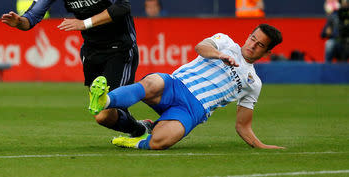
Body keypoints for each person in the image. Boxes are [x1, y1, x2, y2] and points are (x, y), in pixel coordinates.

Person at [1, 0, 150, 138]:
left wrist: (85, 23)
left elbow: (122, 6)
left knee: (104, 114)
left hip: (121, 48)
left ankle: (145, 126)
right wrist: (20, 22)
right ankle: (142, 128)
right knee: (105, 114)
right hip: (92, 51)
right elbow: (33, 16)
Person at [88, 24, 284, 150]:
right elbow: (200, 47)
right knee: (151, 83)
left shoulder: (253, 83)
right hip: (175, 85)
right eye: (252, 38)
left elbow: (243, 125)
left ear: (266, 52)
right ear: (248, 35)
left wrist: (262, 146)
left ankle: (138, 136)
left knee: (160, 141)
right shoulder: (225, 42)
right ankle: (104, 100)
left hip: (193, 109)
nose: (252, 45)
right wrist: (219, 55)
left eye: (259, 45)